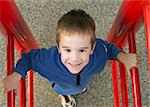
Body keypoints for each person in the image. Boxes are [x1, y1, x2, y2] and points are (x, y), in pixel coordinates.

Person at [3, 9, 138, 107]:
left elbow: (109, 49)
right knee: (63, 91)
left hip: (84, 79)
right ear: (58, 47)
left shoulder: (99, 53)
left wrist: (122, 56)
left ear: (92, 48)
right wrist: (17, 74)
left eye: (82, 50)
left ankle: (81, 88)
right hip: (60, 86)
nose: (74, 58)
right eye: (67, 50)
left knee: (82, 84)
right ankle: (66, 97)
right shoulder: (48, 61)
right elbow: (30, 58)